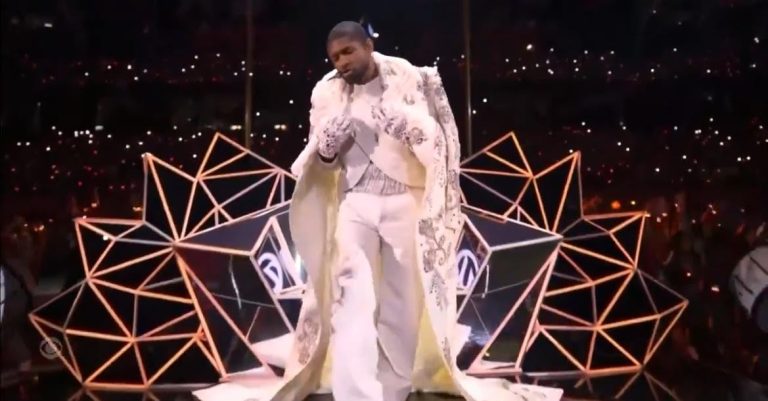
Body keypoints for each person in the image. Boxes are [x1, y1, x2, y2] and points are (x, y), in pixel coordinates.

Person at [193, 21, 562, 401]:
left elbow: (440, 146)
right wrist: (327, 149)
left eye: (348, 52)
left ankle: (393, 391)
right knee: (350, 299)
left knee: (401, 302)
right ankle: (355, 394)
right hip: (355, 202)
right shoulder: (326, 93)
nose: (342, 62)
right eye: (335, 57)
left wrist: (410, 129)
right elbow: (315, 161)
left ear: (368, 46)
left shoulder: (408, 78)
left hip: (405, 200)